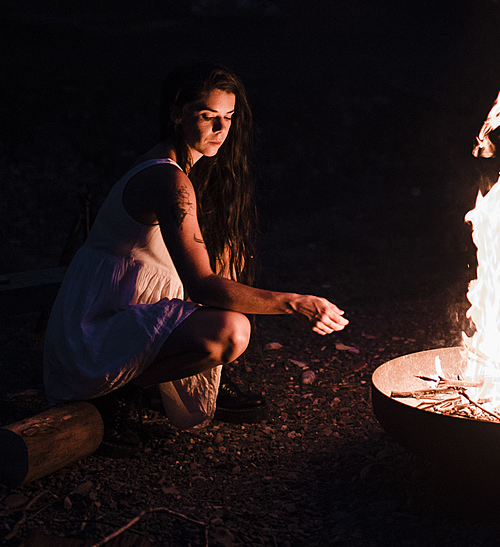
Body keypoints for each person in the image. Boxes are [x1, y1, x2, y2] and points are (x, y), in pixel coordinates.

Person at [44, 63, 347, 454]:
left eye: (228, 118)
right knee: (232, 331)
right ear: (177, 114)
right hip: (94, 328)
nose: (221, 130)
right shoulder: (166, 178)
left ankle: (148, 387)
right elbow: (201, 283)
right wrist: (295, 303)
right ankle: (117, 396)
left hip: (126, 311)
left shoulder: (183, 167)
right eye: (208, 117)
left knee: (228, 247)